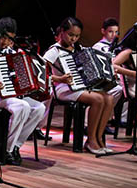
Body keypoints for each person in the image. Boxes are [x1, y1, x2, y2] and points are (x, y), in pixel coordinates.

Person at [0, 17, 46, 165]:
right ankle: (6, 150)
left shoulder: (15, 53)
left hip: (13, 95)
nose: (6, 42)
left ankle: (15, 146)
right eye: (3, 38)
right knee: (22, 106)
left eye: (10, 39)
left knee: (40, 108)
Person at [43, 17, 115, 155]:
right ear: (62, 32)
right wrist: (59, 78)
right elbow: (40, 74)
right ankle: (91, 140)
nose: (73, 39)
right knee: (98, 99)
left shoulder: (79, 49)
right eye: (71, 35)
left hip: (80, 86)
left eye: (77, 36)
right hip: (62, 88)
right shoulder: (54, 51)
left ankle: (99, 138)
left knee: (109, 98)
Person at [92, 17, 130, 130]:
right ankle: (103, 120)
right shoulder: (98, 47)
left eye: (116, 32)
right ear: (103, 31)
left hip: (117, 78)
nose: (113, 35)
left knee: (131, 85)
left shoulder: (117, 48)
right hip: (103, 80)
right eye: (110, 31)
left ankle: (120, 118)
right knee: (117, 89)